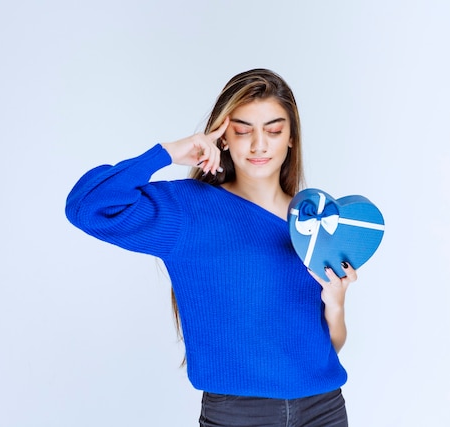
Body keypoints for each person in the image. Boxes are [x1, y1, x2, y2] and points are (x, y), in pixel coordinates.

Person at [66, 68, 357, 426]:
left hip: (324, 410)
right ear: (222, 137)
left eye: (274, 130)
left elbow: (331, 347)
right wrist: (168, 153)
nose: (259, 144)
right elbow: (87, 206)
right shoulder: (187, 211)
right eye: (243, 129)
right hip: (237, 415)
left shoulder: (315, 222)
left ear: (291, 138)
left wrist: (336, 305)